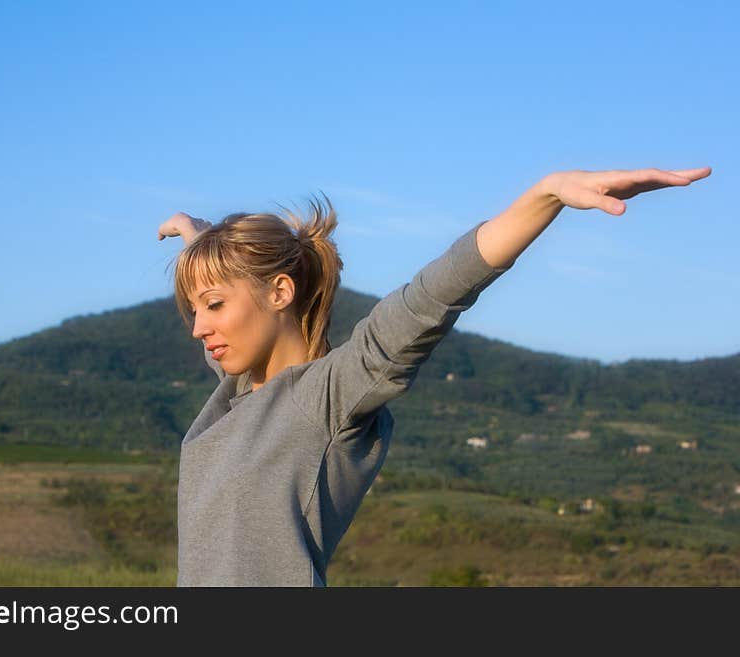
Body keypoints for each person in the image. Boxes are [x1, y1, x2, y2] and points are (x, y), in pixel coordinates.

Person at [156, 166, 712, 586]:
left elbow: (430, 297)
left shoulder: (327, 397)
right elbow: (237, 326)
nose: (198, 328)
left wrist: (545, 195)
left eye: (212, 305)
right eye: (195, 310)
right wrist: (204, 244)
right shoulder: (235, 395)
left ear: (280, 292)